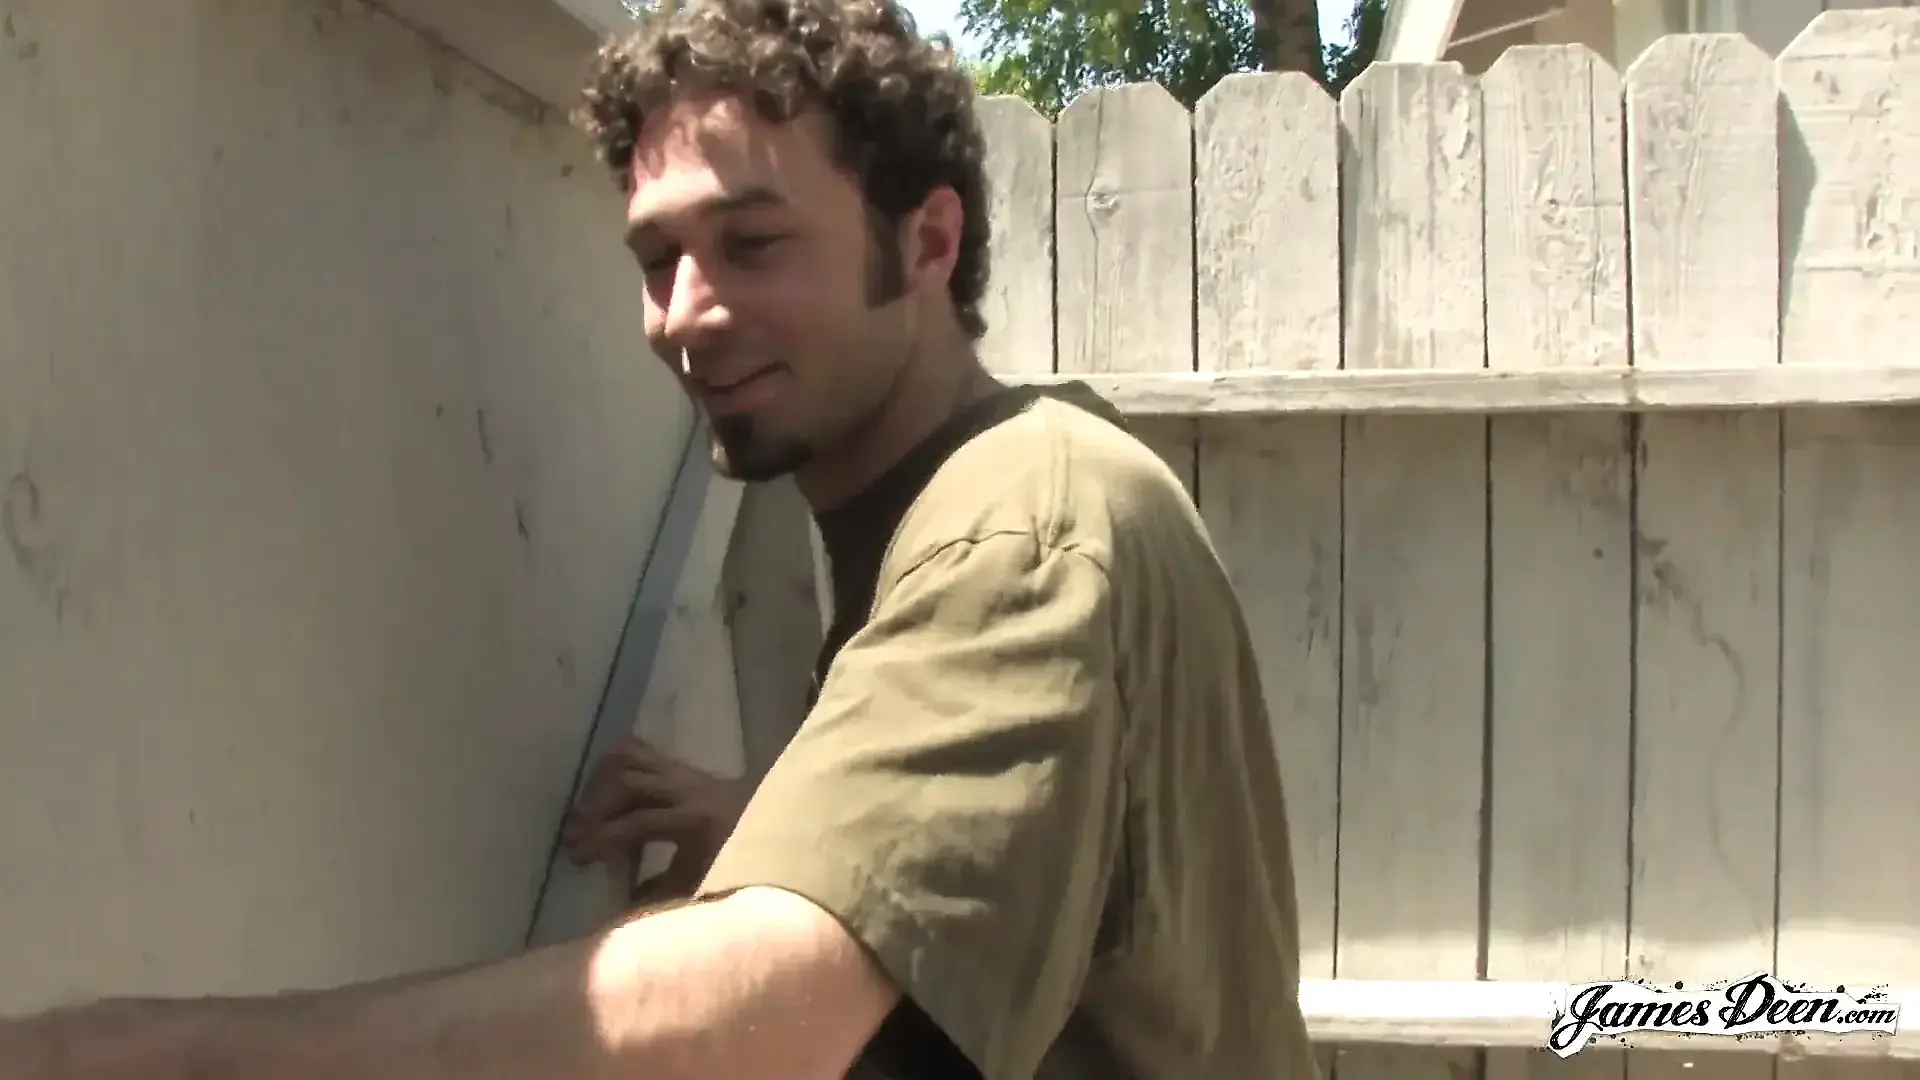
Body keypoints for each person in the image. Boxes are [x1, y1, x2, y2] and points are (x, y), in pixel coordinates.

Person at [0, 0, 1319, 1076]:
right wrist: (802, 833)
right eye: (655, 259)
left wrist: (145, 1052)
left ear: (926, 241)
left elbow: (754, 1027)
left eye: (753, 245)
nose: (686, 312)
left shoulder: (1022, 526)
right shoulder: (992, 477)